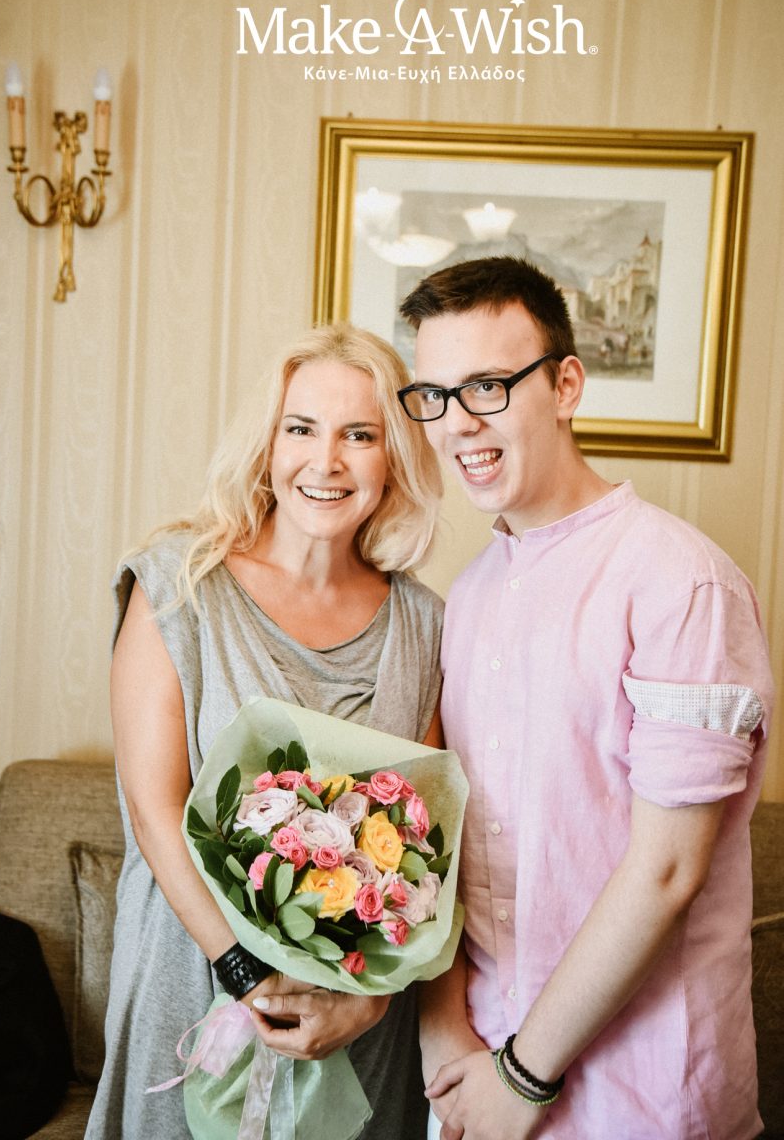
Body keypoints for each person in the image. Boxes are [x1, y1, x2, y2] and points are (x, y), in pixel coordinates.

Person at [395, 257, 774, 1140]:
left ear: (565, 385)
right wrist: (442, 1029)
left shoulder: (680, 582)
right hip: (478, 1068)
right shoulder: (470, 594)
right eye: (434, 396)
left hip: (643, 1092)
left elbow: (667, 870)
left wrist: (522, 1076)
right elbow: (446, 835)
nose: (457, 424)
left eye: (487, 386)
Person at [85, 323, 445, 1140]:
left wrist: (366, 1001)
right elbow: (155, 809)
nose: (326, 461)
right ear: (267, 447)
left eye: (360, 436)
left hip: (357, 1023)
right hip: (193, 983)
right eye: (301, 429)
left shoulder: (425, 625)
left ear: (394, 459)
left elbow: (424, 844)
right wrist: (243, 968)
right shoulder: (179, 585)